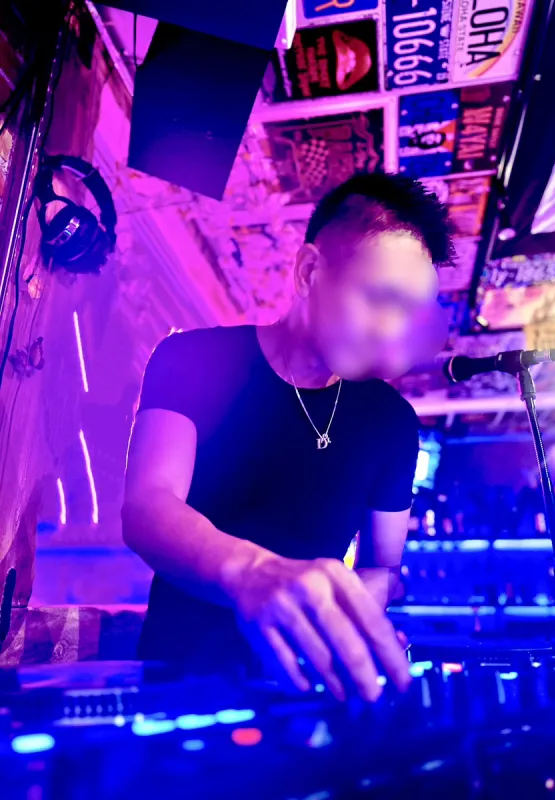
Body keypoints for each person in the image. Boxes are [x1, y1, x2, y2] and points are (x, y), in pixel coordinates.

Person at [122, 173, 454, 703]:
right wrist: (254, 572)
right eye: (378, 297)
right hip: (180, 676)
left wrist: (359, 609)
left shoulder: (393, 421)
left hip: (310, 684)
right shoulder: (194, 358)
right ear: (308, 271)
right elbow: (147, 505)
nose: (390, 331)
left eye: (408, 313)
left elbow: (384, 567)